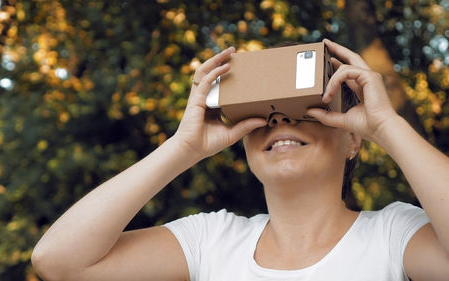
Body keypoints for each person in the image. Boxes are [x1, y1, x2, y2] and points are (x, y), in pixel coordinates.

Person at [31, 39, 449, 281]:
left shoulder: (393, 234)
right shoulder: (212, 239)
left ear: (353, 139)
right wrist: (184, 148)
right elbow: (59, 261)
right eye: (262, 116)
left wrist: (387, 124)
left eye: (305, 110)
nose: (280, 119)